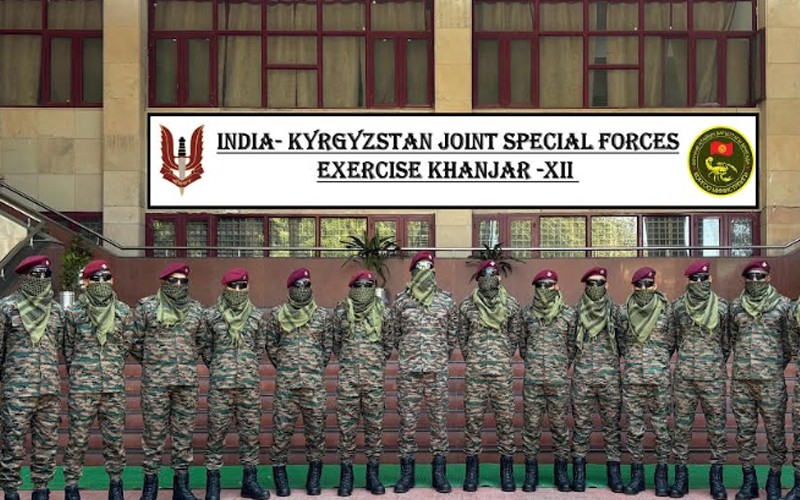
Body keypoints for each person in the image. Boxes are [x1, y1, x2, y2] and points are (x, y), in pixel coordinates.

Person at [131, 263, 204, 500]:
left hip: (186, 382)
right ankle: (150, 486)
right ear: (163, 282)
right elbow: (135, 341)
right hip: (156, 383)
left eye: (184, 281)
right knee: (153, 435)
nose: (179, 285)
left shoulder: (196, 309)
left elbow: (201, 341)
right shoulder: (147, 307)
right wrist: (154, 363)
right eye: (174, 281)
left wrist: (185, 360)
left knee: (184, 435)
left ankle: (181, 487)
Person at [63, 260, 134, 500]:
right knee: (77, 440)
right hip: (83, 387)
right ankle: (71, 487)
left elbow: (125, 345)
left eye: (106, 278)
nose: (102, 283)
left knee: (114, 441)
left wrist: (110, 366)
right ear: (86, 282)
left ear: (112, 281)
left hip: (113, 386)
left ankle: (116, 485)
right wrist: (82, 371)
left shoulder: (123, 311)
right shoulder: (74, 312)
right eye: (96, 279)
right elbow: (69, 347)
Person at [201, 268, 270, 500]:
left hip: (248, 385)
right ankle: (213, 484)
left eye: (242, 286)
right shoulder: (211, 316)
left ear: (248, 287)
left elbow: (259, 348)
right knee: (216, 434)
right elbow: (206, 348)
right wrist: (221, 366)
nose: (238, 290)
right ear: (225, 287)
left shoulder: (257, 316)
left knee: (250, 435)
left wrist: (245, 367)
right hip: (221, 385)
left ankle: (250, 482)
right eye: (233, 286)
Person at [0, 256, 66, 500]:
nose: (41, 279)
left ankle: (41, 491)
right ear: (24, 277)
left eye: (45, 275)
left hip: (49, 390)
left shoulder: (56, 311)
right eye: (35, 275)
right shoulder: (7, 307)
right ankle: (11, 491)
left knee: (46, 446)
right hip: (18, 390)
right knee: (12, 444)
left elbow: (58, 344)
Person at [391, 251, 456, 494]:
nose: (424, 272)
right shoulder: (401, 301)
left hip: (436, 372)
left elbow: (451, 336)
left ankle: (439, 474)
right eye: (420, 268)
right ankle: (407, 474)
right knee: (407, 424)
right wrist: (410, 355)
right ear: (412, 273)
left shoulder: (446, 301)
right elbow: (394, 335)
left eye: (429, 267)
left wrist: (437, 356)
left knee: (439, 424)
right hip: (409, 372)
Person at [266, 268, 332, 497]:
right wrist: (287, 365)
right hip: (287, 386)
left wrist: (312, 367)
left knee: (316, 433)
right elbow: (271, 345)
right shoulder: (277, 314)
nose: (302, 289)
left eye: (306, 285)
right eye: (298, 285)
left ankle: (314, 478)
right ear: (290, 288)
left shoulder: (321, 316)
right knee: (281, 433)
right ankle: (280, 477)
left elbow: (327, 348)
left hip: (313, 386)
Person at [456, 259, 520, 492]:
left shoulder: (511, 305)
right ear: (478, 279)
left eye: (493, 274)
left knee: (505, 422)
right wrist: (475, 357)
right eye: (485, 275)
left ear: (499, 278)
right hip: (476, 374)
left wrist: (500, 356)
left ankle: (507, 472)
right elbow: (462, 338)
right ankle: (472, 471)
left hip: (501, 374)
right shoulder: (467, 306)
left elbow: (514, 337)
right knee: (473, 423)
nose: (489, 278)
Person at [729, 259, 791, 500]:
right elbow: (731, 339)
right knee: (744, 433)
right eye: (751, 277)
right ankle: (749, 481)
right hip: (742, 381)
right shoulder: (736, 307)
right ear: (745, 279)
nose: (755, 281)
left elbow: (789, 343)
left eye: (760, 276)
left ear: (768, 278)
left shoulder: (783, 306)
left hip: (771, 382)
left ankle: (774, 479)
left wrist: (773, 365)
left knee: (775, 432)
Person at [670, 260, 729, 500]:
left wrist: (713, 361)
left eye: (703, 279)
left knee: (717, 429)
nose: (699, 283)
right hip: (685, 377)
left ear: (710, 279)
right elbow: (672, 340)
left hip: (712, 377)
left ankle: (717, 480)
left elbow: (727, 342)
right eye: (694, 279)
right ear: (688, 281)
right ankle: (680, 479)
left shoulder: (722, 307)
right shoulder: (678, 307)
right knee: (681, 428)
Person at [332, 270, 394, 497]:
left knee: (374, 430)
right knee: (346, 430)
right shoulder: (341, 311)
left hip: (373, 381)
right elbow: (336, 344)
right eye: (358, 286)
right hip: (348, 381)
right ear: (352, 288)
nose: (363, 290)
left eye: (368, 285)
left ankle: (372, 475)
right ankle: (346, 476)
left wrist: (373, 364)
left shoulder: (384, 312)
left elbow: (388, 344)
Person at [517, 269, 574, 492]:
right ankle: (531, 474)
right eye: (540, 286)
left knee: (560, 429)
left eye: (549, 285)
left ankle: (561, 473)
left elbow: (572, 346)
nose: (544, 289)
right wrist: (535, 364)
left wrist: (559, 365)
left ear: (557, 286)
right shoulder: (527, 314)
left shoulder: (568, 314)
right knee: (531, 429)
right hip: (533, 381)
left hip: (558, 381)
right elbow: (523, 345)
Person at [620, 266, 676, 496]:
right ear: (633, 286)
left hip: (659, 378)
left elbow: (672, 342)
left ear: (655, 285)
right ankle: (637, 476)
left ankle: (661, 476)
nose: (644, 288)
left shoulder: (667, 311)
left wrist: (657, 361)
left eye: (648, 284)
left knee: (661, 429)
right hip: (633, 378)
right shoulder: (623, 311)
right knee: (634, 429)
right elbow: (621, 342)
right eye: (639, 284)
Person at [571, 266, 625, 493]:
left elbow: (623, 342)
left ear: (607, 285)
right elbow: (569, 343)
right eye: (591, 284)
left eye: (599, 283)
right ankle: (579, 474)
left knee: (611, 427)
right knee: (581, 426)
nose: (595, 287)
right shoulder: (575, 313)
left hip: (609, 378)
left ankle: (614, 475)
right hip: (583, 377)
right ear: (585, 286)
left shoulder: (617, 312)